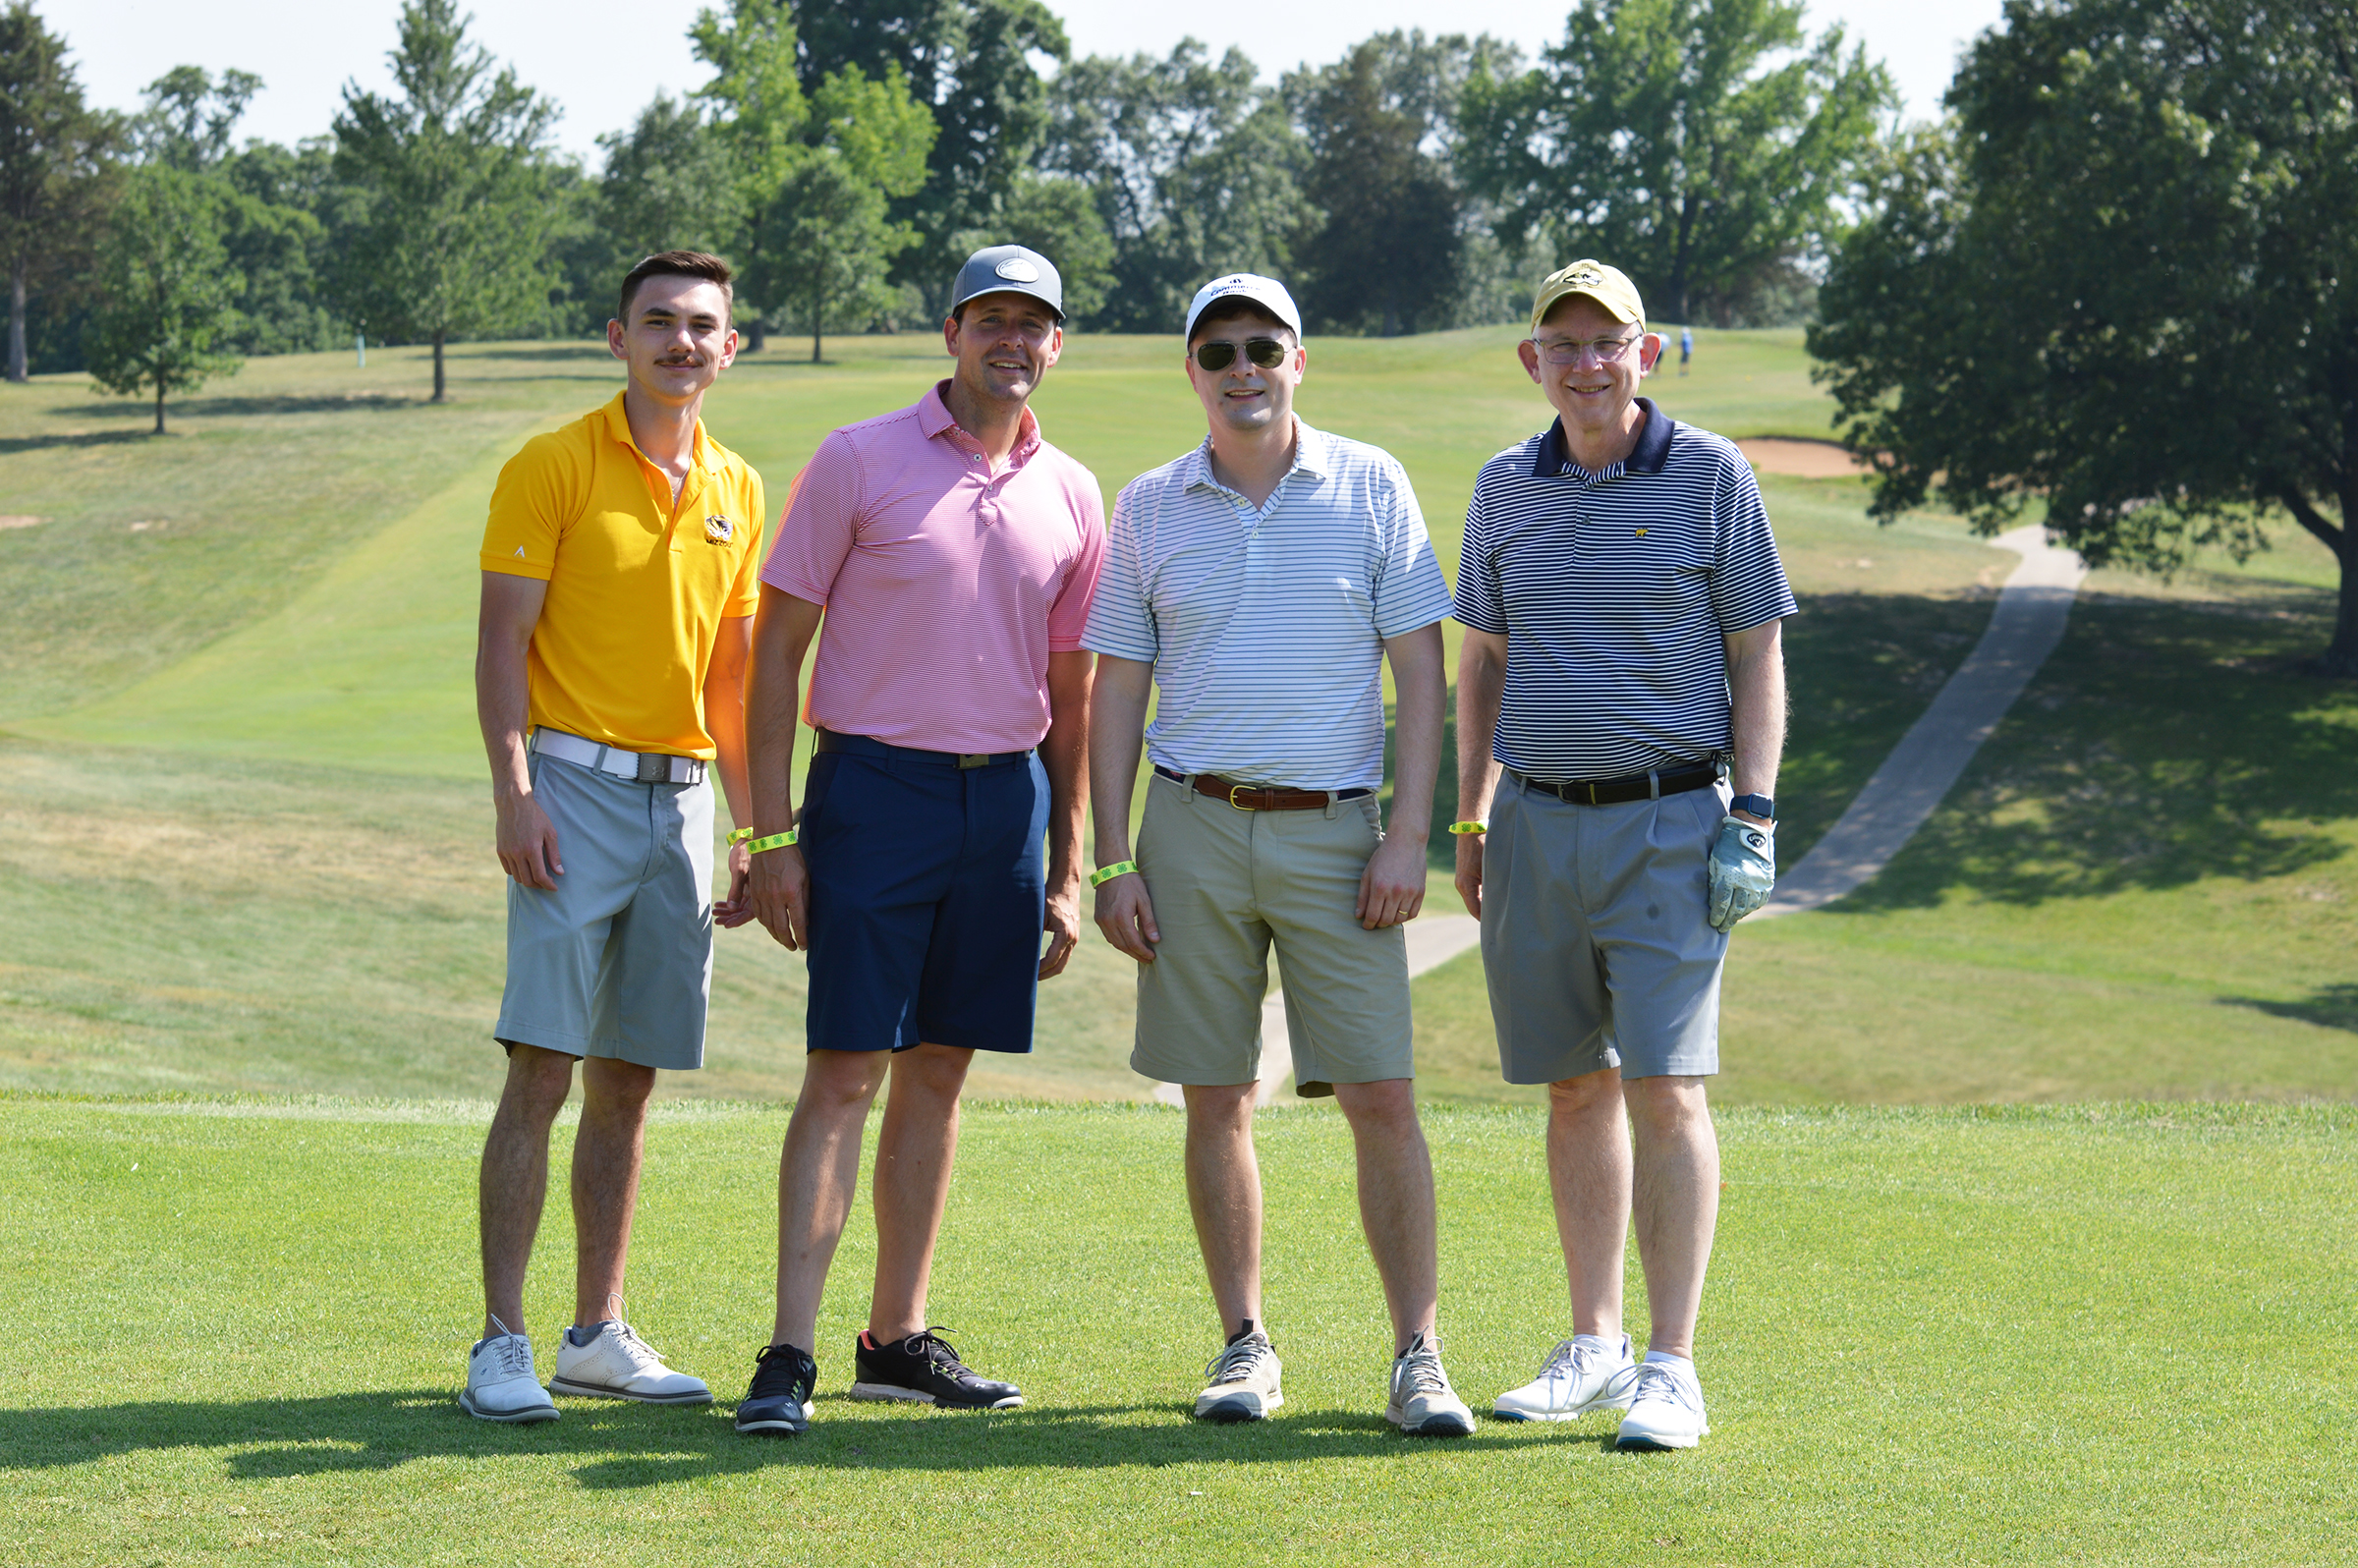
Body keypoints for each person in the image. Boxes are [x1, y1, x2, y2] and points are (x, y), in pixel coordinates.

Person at [1087, 273, 1475, 1437]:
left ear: (1299, 358)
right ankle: (1245, 1345)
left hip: (1338, 832)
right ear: (1193, 371)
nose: (1243, 368)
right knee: (1214, 1097)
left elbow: (1421, 674)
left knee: (1381, 1097)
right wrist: (1112, 860)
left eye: (1264, 346)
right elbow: (1116, 691)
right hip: (1190, 825)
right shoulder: (1151, 503)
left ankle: (1419, 1355)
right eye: (1219, 352)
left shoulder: (1370, 482)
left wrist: (1410, 833)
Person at [731, 246, 1103, 1436]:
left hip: (1004, 808)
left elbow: (1073, 694)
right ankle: (789, 1349)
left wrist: (1066, 871)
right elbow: (775, 651)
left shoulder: (1074, 492)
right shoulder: (858, 459)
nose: (1013, 340)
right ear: (952, 331)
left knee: (940, 1073)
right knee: (845, 1070)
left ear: (1057, 345)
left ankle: (894, 1340)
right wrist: (771, 833)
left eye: (1033, 324)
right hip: (871, 795)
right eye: (991, 318)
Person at [1451, 259, 1791, 1450]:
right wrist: (1472, 815)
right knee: (1572, 1083)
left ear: (1646, 352)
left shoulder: (1711, 474)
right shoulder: (1504, 488)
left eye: (1610, 341)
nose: (1587, 363)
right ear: (1532, 361)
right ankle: (1593, 1343)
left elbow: (1756, 653)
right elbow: (1482, 663)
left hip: (1670, 822)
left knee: (1666, 1085)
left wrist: (1753, 814)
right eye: (1566, 342)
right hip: (1537, 819)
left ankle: (1671, 1364)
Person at [464, 251, 763, 1423]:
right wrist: (512, 790)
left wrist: (757, 829)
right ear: (617, 337)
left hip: (684, 803)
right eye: (658, 323)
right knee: (543, 1064)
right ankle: (503, 1341)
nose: (680, 343)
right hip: (570, 790)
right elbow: (501, 645)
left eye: (701, 327)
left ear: (728, 348)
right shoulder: (553, 465)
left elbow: (734, 678)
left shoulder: (740, 487)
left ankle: (597, 1332)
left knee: (630, 1081)